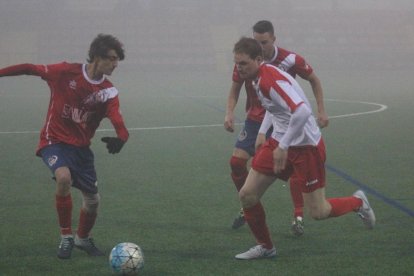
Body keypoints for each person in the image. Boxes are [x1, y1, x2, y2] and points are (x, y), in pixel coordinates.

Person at [232, 37, 375, 260]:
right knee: (248, 195)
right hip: (280, 141)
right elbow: (275, 106)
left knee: (319, 212)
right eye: (237, 63)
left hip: (306, 147)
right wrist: (263, 132)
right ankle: (266, 247)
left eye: (243, 63)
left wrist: (284, 145)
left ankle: (358, 203)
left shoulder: (269, 79)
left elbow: (301, 111)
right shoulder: (257, 77)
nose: (239, 68)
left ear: (258, 60)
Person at [0, 34, 129, 259]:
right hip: (54, 140)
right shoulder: (65, 71)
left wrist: (122, 138)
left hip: (81, 148)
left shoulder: (109, 91)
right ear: (97, 57)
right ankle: (66, 237)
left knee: (92, 201)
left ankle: (82, 238)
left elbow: (117, 119)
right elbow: (30, 68)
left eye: (118, 60)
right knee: (63, 178)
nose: (116, 64)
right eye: (113, 59)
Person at [224, 20, 328, 235]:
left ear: (273, 40)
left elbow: (312, 84)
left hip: (288, 123)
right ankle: (249, 205)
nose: (260, 46)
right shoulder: (247, 63)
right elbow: (236, 89)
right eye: (257, 41)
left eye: (264, 42)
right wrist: (230, 113)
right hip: (258, 119)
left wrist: (321, 110)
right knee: (237, 162)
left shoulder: (288, 60)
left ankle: (298, 214)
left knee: (291, 172)